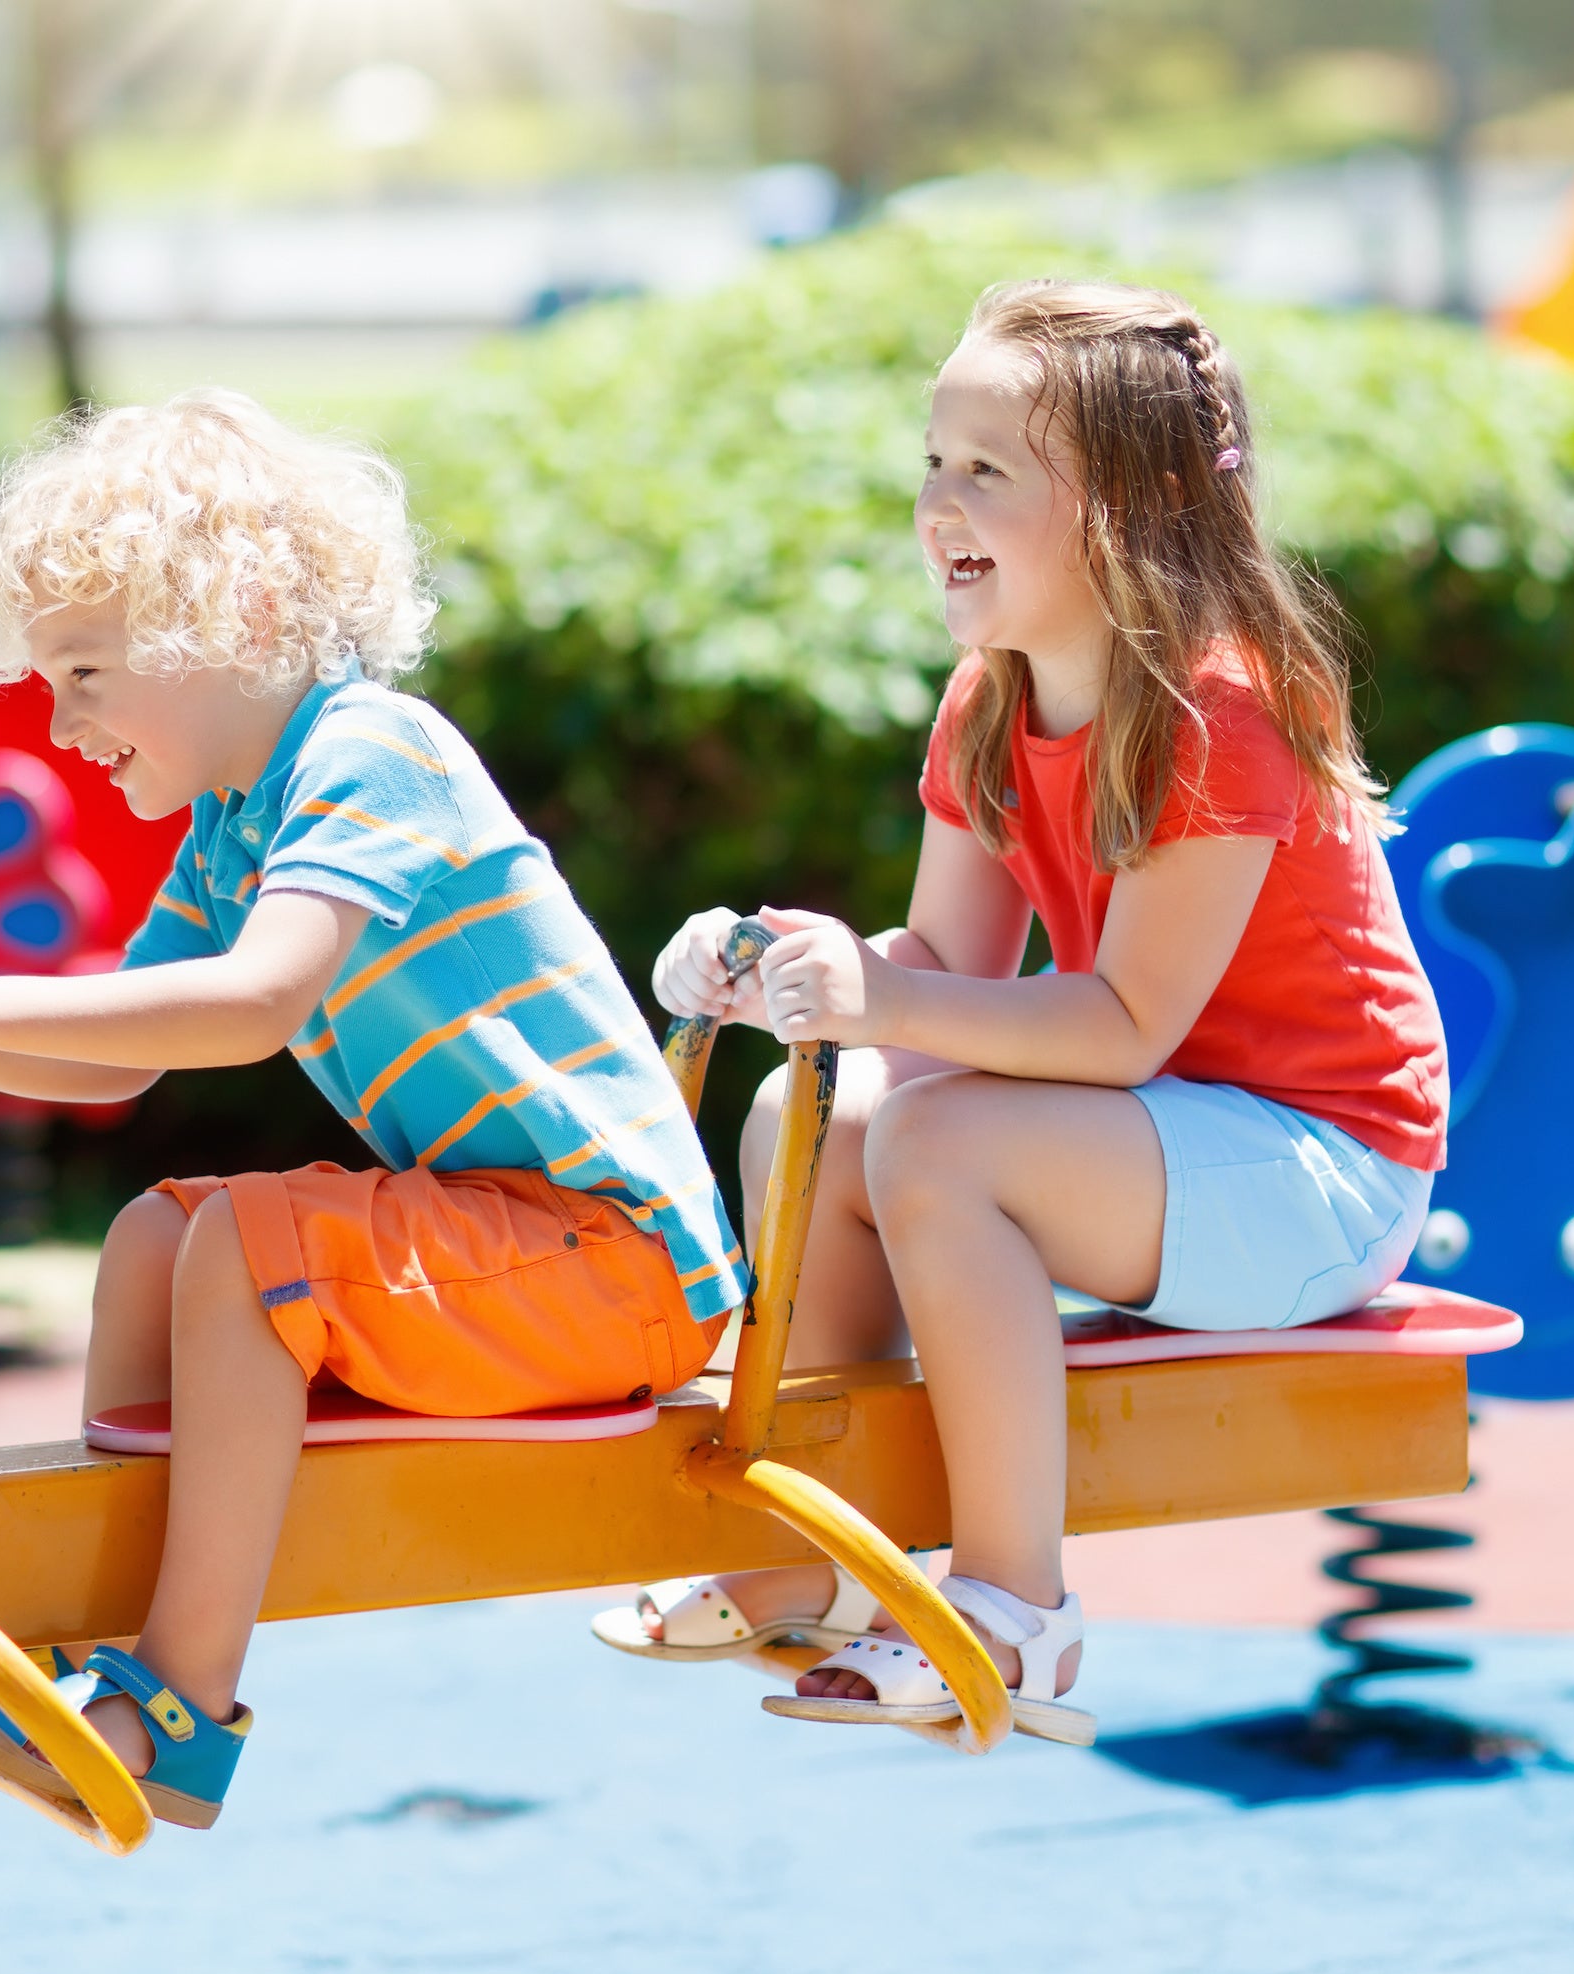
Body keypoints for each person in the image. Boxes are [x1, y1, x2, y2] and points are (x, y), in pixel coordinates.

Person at [0, 389, 747, 1829]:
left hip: (621, 1267)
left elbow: (249, 1006)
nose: (62, 725)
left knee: (250, 1248)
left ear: (232, 617)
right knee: (150, 1244)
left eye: (88, 673)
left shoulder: (374, 752)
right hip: (522, 1240)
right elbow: (121, 1063)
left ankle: (171, 1713)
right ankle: (84, 1648)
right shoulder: (236, 818)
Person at [599, 280, 1446, 1745]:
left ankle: (1017, 1612)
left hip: (1326, 1168)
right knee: (829, 1104)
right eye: (934, 462)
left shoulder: (1213, 714)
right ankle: (828, 1552)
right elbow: (944, 960)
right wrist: (788, 969)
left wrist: (880, 995)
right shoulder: (992, 698)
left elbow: (1125, 1027)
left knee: (938, 1147)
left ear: (1131, 507)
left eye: (987, 471)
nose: (939, 504)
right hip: (1163, 1136)